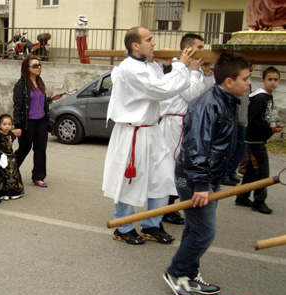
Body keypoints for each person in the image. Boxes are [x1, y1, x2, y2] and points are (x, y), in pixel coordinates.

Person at [164, 53, 251, 295]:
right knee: (205, 232)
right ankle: (175, 272)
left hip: (208, 177)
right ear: (228, 81)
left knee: (194, 228)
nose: (248, 83)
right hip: (194, 179)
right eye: (244, 78)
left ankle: (189, 274)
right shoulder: (207, 104)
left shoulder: (226, 100)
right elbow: (196, 147)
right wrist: (202, 184)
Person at [103, 26, 194, 245]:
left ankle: (151, 224)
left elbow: (164, 83)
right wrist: (180, 66)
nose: (154, 43)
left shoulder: (148, 65)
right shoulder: (130, 69)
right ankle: (122, 226)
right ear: (136, 45)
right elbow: (161, 89)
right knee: (129, 181)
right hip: (133, 132)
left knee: (162, 178)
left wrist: (170, 66)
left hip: (152, 130)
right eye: (149, 40)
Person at [159, 33, 215, 225]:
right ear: (188, 49)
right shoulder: (178, 68)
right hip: (174, 122)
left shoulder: (192, 69)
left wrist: (205, 73)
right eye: (199, 47)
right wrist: (194, 70)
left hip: (184, 121)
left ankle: (171, 204)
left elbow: (205, 92)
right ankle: (167, 207)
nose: (203, 51)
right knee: (173, 165)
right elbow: (192, 94)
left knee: (180, 165)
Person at [235, 66, 283, 214]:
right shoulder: (260, 98)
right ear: (263, 80)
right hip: (255, 141)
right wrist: (270, 130)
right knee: (262, 172)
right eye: (270, 79)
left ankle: (242, 196)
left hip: (259, 140)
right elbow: (254, 121)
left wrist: (270, 130)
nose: (273, 83)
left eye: (276, 80)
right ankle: (259, 201)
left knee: (251, 170)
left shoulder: (268, 96)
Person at [12, 56, 63, 188]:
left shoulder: (39, 82)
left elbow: (38, 102)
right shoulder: (21, 85)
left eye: (39, 65)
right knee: (24, 149)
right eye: (35, 66)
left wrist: (49, 99)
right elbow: (18, 106)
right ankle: (9, 171)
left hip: (41, 122)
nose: (39, 67)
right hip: (28, 123)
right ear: (27, 68)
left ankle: (38, 177)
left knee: (41, 150)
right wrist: (17, 126)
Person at [221, 64, 253, 186]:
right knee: (230, 147)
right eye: (245, 80)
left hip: (243, 120)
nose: (248, 83)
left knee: (239, 148)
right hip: (236, 119)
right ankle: (225, 174)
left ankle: (230, 171)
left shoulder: (246, 83)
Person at [0, 114, 24, 200]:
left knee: (13, 174)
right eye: (4, 124)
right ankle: (3, 193)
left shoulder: (11, 134)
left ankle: (14, 192)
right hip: (1, 158)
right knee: (2, 175)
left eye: (9, 124)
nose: (7, 126)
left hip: (11, 158)